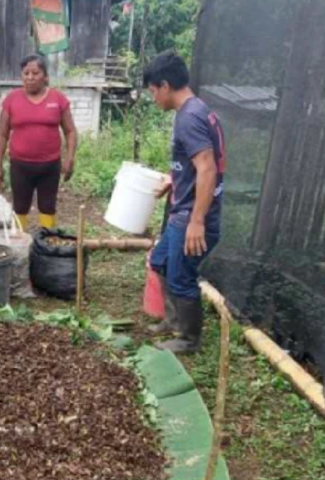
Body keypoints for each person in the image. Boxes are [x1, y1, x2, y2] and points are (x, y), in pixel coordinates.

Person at [144, 51, 225, 354]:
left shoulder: (189, 117)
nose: (154, 99)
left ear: (165, 86)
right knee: (160, 260)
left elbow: (206, 166)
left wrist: (197, 222)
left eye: (153, 92)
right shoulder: (197, 109)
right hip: (185, 208)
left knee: (181, 277)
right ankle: (172, 320)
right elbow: (195, 163)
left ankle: (189, 339)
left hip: (192, 214)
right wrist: (172, 180)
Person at [0, 54, 77, 230]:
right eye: (26, 73)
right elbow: (2, 134)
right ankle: (21, 245)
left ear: (45, 76)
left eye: (35, 73)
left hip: (50, 166)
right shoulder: (12, 100)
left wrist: (70, 158)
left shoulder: (58, 99)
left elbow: (70, 131)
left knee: (47, 207)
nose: (30, 78)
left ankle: (45, 245)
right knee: (20, 207)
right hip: (20, 166)